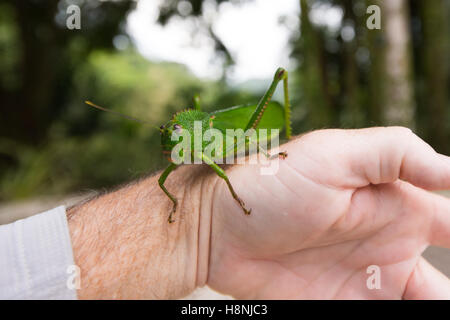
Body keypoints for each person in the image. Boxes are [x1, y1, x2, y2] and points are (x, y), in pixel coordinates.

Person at [1, 127, 450, 299]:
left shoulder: (207, 146)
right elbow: (170, 183)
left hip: (239, 145)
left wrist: (223, 206)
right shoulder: (179, 161)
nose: (168, 145)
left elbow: (217, 164)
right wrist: (191, 212)